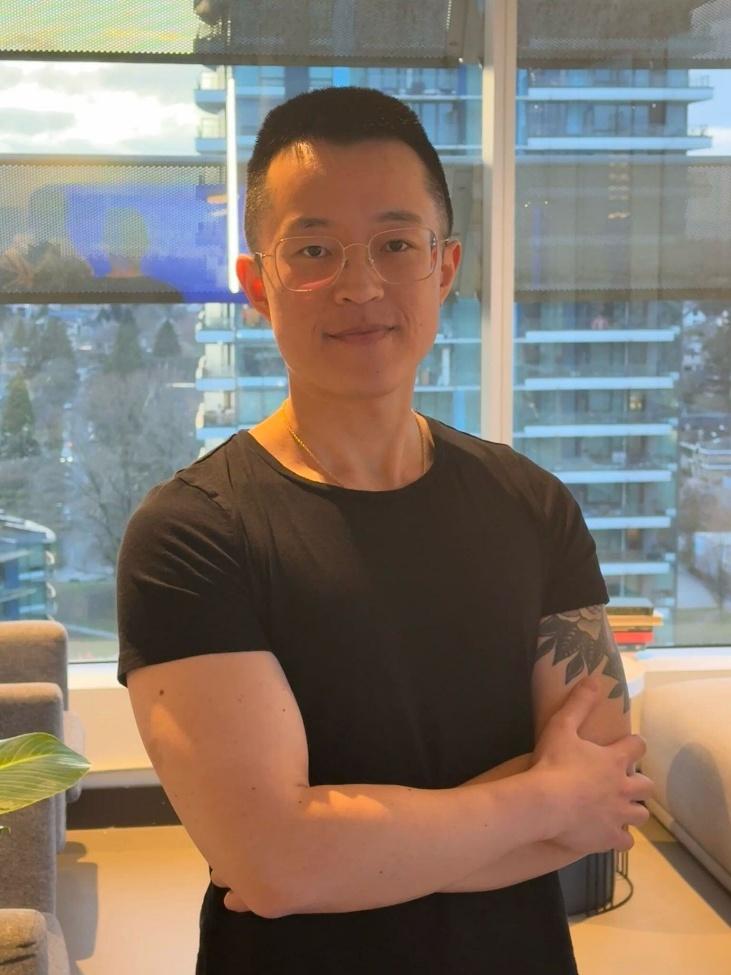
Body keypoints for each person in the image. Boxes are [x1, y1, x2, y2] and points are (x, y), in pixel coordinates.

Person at [116, 86, 654, 974]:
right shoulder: (191, 535)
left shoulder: (532, 504)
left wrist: (332, 853)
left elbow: (602, 798)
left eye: (395, 244)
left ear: (444, 268)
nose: (359, 285)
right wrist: (542, 798)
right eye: (313, 249)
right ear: (257, 284)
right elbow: (274, 862)